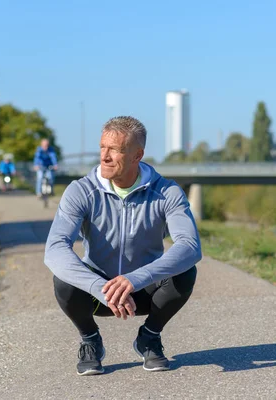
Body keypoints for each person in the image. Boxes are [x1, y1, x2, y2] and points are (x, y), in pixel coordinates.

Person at [44, 116, 201, 376]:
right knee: (63, 278)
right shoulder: (81, 191)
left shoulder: (167, 192)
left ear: (137, 155)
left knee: (186, 271)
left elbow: (190, 246)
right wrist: (99, 288)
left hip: (144, 289)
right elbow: (55, 248)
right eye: (102, 147)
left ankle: (149, 337)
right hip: (99, 293)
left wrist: (135, 279)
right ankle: (90, 339)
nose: (104, 157)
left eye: (115, 150)